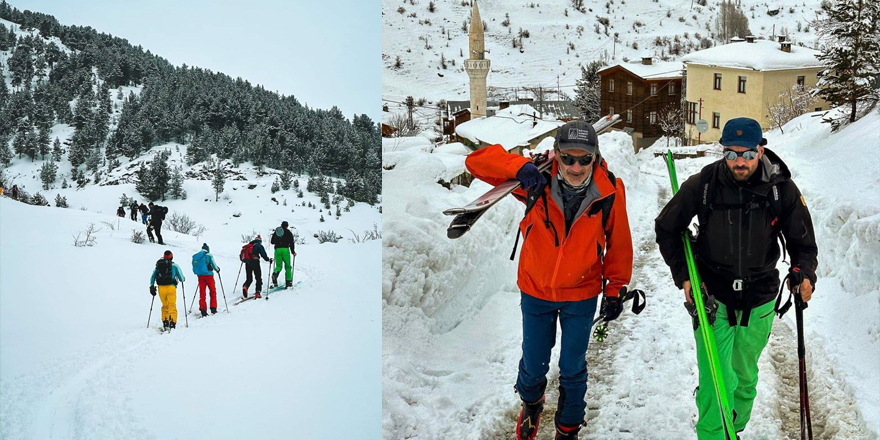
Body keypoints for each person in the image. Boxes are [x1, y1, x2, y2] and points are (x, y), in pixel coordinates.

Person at [465, 120, 633, 440]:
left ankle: (568, 429)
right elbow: (475, 162)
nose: (576, 166)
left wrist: (614, 291)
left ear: (595, 158)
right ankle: (532, 402)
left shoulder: (610, 189)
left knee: (572, 369)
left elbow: (620, 244)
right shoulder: (536, 181)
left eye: (584, 158)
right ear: (556, 155)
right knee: (533, 363)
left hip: (581, 294)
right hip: (536, 290)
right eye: (568, 157)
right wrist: (519, 166)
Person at [654, 117, 818, 440]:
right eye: (731, 154)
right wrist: (685, 276)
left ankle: (733, 427)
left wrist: (804, 273)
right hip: (712, 297)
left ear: (760, 150)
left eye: (746, 154)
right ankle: (717, 431)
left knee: (744, 378)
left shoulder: (780, 188)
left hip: (759, 299)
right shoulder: (703, 185)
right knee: (717, 383)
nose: (738, 162)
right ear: (723, 152)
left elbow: (803, 242)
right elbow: (666, 228)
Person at [150, 250, 186, 330]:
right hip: (171, 287)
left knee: (165, 305)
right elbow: (181, 278)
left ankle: (165, 322)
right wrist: (183, 279)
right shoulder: (175, 266)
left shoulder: (159, 266)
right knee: (172, 305)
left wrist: (151, 286)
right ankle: (172, 323)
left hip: (161, 288)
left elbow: (153, 276)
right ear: (172, 257)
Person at [192, 243, 221, 316]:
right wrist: (217, 269)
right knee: (212, 291)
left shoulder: (197, 255)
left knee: (202, 293)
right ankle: (213, 308)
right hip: (209, 276)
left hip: (200, 276)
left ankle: (202, 309)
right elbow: (214, 265)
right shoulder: (208, 255)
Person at [270, 221, 297, 289]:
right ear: (287, 226)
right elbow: (291, 243)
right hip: (285, 250)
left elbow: (272, 242)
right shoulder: (288, 232)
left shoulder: (277, 231)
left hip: (277, 250)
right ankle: (288, 282)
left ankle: (275, 274)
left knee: (279, 266)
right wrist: (293, 251)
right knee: (288, 266)